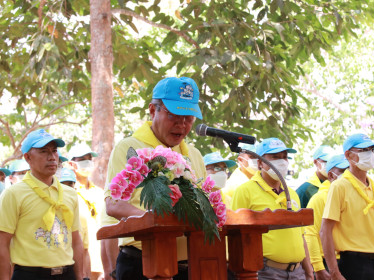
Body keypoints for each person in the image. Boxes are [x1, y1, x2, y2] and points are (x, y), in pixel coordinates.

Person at [105, 77, 207, 280]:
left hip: (190, 265)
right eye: (174, 116)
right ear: (153, 110)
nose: (182, 125)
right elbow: (114, 204)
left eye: (188, 118)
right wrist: (157, 222)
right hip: (141, 263)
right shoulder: (129, 148)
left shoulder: (194, 154)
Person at [0, 129, 83, 280]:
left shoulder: (70, 194)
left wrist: (80, 277)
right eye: (44, 151)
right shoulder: (13, 194)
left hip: (67, 274)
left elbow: (76, 241)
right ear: (28, 157)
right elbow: (2, 243)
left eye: (54, 151)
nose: (52, 157)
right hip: (29, 274)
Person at [231, 137, 314, 280]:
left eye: (284, 157)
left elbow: (301, 236)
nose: (281, 161)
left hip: (298, 272)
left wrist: (309, 271)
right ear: (260, 163)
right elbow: (234, 237)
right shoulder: (245, 191)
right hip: (266, 272)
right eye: (275, 157)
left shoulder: (292, 193)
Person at [320, 133, 374, 280]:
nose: (370, 154)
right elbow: (325, 230)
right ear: (348, 155)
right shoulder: (339, 187)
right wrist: (334, 272)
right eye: (363, 150)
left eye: (372, 150)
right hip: (354, 263)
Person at [304, 154, 349, 280]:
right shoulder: (319, 198)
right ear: (330, 175)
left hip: (352, 260)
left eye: (348, 170)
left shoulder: (352, 195)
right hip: (328, 262)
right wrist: (318, 267)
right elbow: (310, 233)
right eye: (342, 171)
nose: (346, 175)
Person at [68, 143, 104, 279]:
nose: (87, 162)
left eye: (90, 159)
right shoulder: (68, 193)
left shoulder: (100, 193)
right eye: (83, 159)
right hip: (78, 263)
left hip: (101, 262)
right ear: (72, 164)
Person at [60, 168, 91, 280]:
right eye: (62, 184)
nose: (66, 189)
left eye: (70, 185)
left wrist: (84, 276)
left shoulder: (81, 217)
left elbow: (84, 250)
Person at [223, 143, 257, 207]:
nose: (257, 160)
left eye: (259, 157)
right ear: (240, 160)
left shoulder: (260, 177)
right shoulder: (236, 185)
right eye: (252, 157)